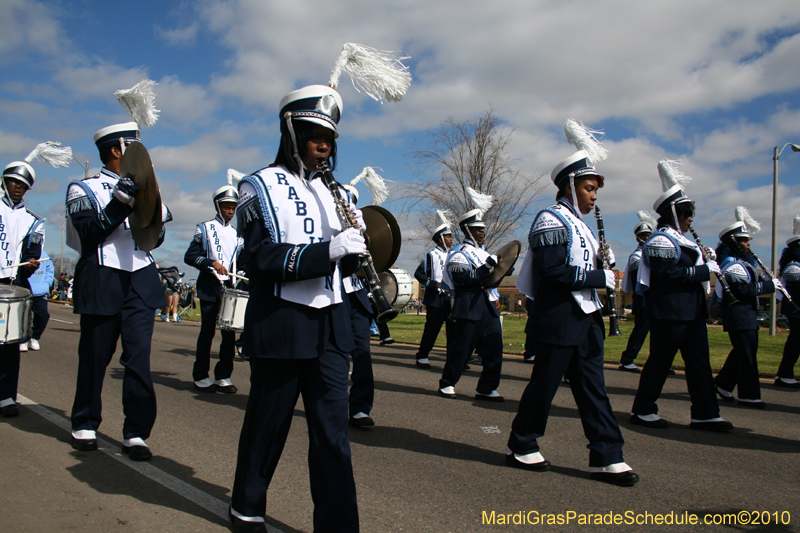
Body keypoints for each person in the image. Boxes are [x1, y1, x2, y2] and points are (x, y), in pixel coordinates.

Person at [229, 85, 364, 532]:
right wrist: (327, 250)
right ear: (291, 132)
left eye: (330, 137)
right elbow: (258, 258)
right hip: (283, 321)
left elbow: (348, 265)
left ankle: (338, 525)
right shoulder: (258, 185)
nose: (324, 144)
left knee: (332, 434)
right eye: (313, 133)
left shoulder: (340, 194)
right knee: (269, 425)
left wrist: (360, 247)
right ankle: (246, 504)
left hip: (331, 325)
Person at [506, 120, 637, 487]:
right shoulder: (550, 218)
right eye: (589, 188)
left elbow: (579, 267)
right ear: (569, 186)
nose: (595, 196)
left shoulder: (582, 226)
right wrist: (599, 277)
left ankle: (607, 455)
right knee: (544, 386)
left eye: (596, 190)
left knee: (594, 388)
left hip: (586, 318)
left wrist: (602, 263)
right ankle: (521, 443)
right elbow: (553, 274)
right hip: (559, 317)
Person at [66, 119, 172, 460]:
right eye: (132, 146)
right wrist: (119, 202)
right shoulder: (82, 189)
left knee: (138, 359)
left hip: (140, 279)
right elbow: (89, 235)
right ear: (116, 150)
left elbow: (153, 238)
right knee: (95, 357)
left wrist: (154, 213)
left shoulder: (147, 187)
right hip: (102, 277)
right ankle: (85, 421)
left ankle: (136, 432)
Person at [630, 160, 732, 432]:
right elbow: (667, 273)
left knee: (699, 364)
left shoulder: (685, 241)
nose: (690, 218)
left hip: (692, 310)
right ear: (673, 214)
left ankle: (705, 412)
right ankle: (643, 409)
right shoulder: (660, 239)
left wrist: (704, 260)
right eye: (686, 213)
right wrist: (702, 270)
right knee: (660, 362)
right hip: (669, 311)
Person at [438, 189, 504, 402]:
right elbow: (463, 279)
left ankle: (486, 388)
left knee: (494, 350)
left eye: (483, 229)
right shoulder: (458, 253)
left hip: (487, 306)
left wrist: (503, 269)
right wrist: (487, 268)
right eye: (477, 229)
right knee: (461, 351)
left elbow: (492, 280)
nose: (481, 233)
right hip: (467, 306)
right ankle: (447, 383)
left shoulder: (484, 253)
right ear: (467, 230)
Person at [0, 149, 53, 417]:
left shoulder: (33, 220)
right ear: (4, 181)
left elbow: (33, 252)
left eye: (22, 186)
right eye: (13, 183)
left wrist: (32, 261)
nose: (17, 188)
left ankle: (7, 397)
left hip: (13, 284)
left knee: (9, 344)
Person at [712, 208, 777, 408]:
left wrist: (767, 278)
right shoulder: (731, 265)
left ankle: (722, 384)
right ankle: (749, 395)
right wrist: (769, 285)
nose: (748, 244)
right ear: (734, 243)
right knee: (747, 354)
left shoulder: (741, 263)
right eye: (744, 241)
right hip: (738, 313)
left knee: (743, 351)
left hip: (745, 313)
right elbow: (743, 289)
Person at [184, 183, 242, 393]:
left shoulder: (238, 234)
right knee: (206, 333)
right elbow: (190, 256)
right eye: (226, 206)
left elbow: (241, 262)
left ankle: (223, 376)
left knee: (229, 335)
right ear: (218, 206)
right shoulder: (205, 227)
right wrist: (210, 263)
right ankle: (200, 375)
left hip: (229, 288)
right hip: (210, 285)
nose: (230, 211)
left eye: (233, 207)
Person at [413, 211, 453, 369]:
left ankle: (453, 359)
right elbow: (419, 273)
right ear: (441, 238)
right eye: (449, 236)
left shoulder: (454, 254)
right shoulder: (431, 255)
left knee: (453, 331)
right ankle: (422, 356)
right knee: (432, 330)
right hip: (436, 299)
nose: (451, 239)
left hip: (451, 298)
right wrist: (433, 283)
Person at [618, 211, 656, 372]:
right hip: (643, 300)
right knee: (641, 332)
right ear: (638, 238)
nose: (647, 238)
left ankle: (658, 363)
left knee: (658, 334)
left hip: (655, 300)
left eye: (649, 234)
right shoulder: (637, 257)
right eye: (644, 235)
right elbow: (640, 282)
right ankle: (627, 359)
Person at [776, 216, 800, 388]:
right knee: (795, 341)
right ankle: (784, 374)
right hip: (796, 309)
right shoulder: (793, 266)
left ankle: (785, 373)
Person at [25, 249, 55, 351]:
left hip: (40, 292)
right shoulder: (23, 251)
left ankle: (35, 337)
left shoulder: (44, 254)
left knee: (43, 315)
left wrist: (47, 284)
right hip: (24, 290)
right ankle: (23, 340)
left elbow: (50, 270)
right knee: (23, 317)